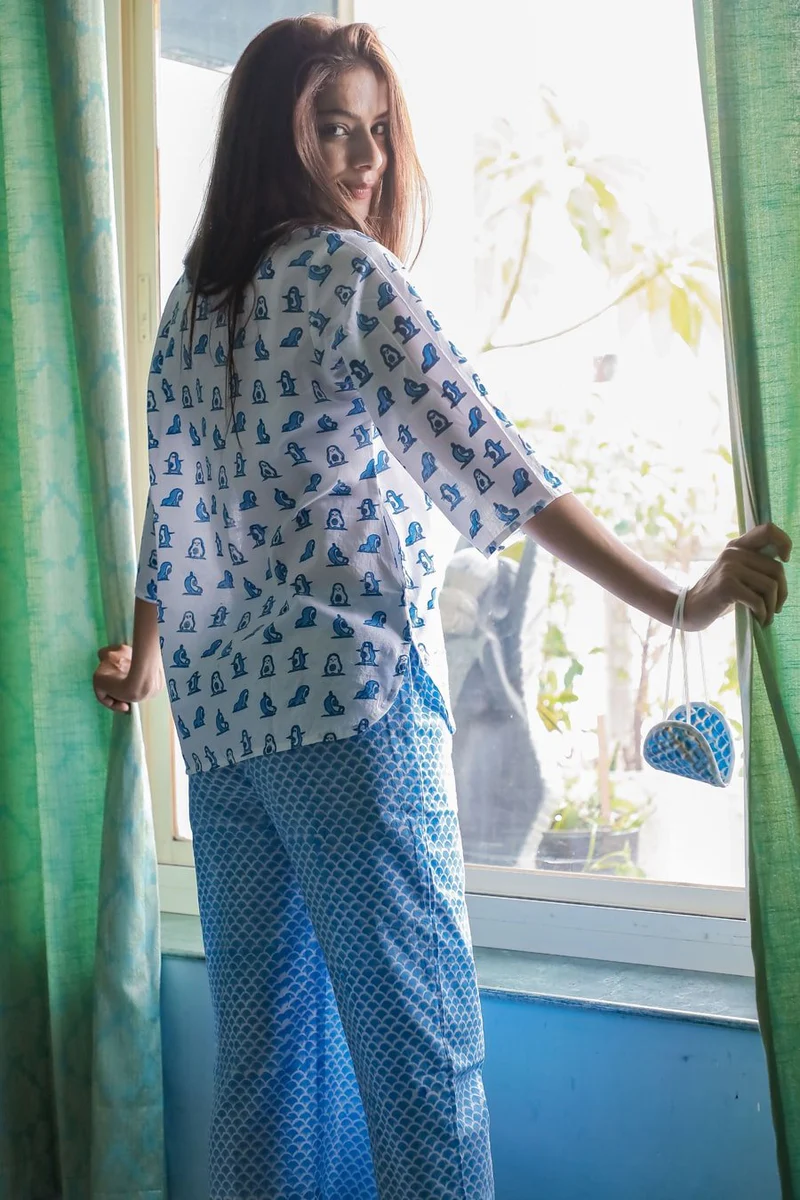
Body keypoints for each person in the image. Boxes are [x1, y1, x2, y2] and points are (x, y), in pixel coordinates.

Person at [92, 16, 791, 1200]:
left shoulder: (188, 306)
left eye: (376, 129)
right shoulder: (347, 276)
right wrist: (677, 599)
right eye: (332, 129)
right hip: (347, 724)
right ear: (272, 135)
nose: (365, 157)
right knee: (421, 1070)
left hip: (222, 737)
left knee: (263, 1071)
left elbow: (177, 503)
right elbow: (498, 465)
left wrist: (149, 654)